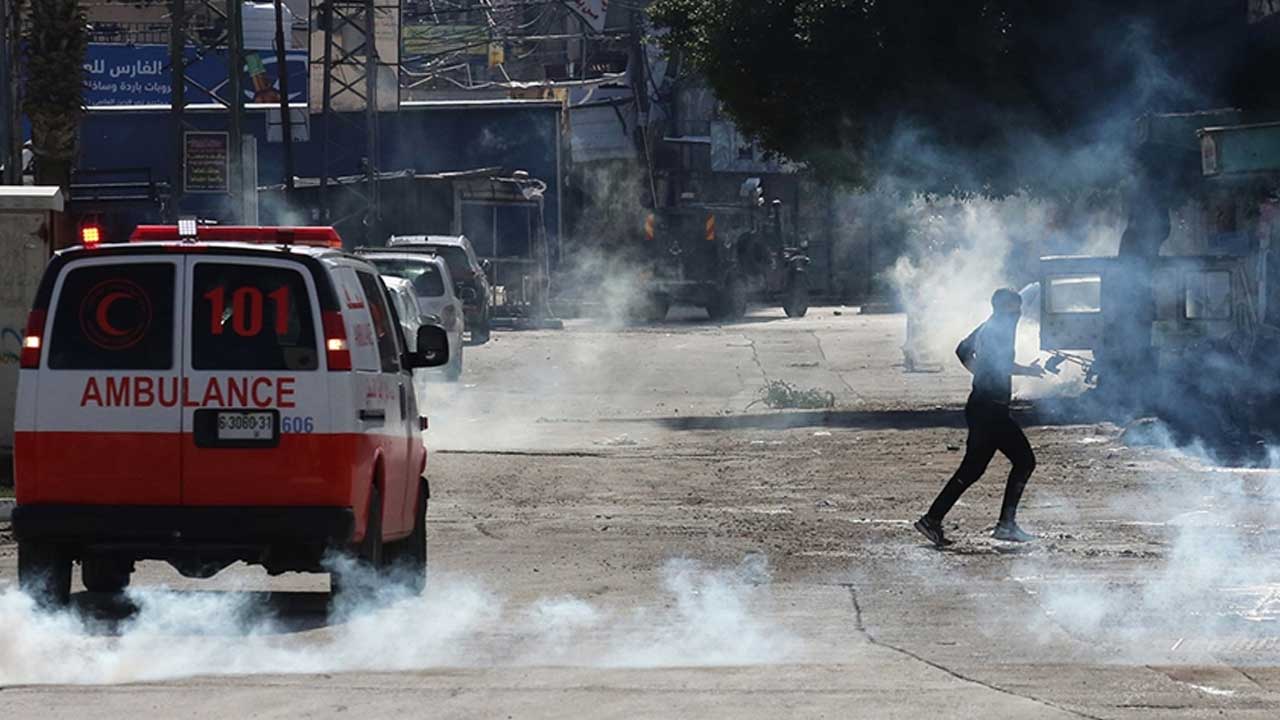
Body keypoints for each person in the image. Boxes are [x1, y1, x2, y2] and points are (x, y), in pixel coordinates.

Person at [915, 288, 1044, 547]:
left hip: (983, 407)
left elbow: (962, 350)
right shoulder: (1000, 330)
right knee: (1025, 461)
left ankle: (932, 519)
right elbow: (1000, 365)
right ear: (1002, 309)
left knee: (973, 469)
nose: (1018, 314)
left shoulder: (988, 325)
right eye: (1014, 309)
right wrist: (1028, 371)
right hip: (990, 411)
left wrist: (979, 377)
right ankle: (1006, 524)